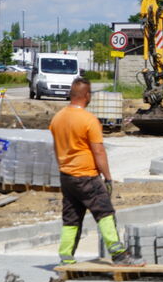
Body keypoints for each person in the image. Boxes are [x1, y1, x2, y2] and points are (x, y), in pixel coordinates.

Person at [50, 77, 143, 266]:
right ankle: (119, 255)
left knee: (71, 217)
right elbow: (98, 151)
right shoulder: (89, 120)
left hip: (66, 177)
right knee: (105, 213)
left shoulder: (57, 118)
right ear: (86, 95)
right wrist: (108, 178)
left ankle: (66, 258)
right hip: (87, 176)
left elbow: (56, 147)